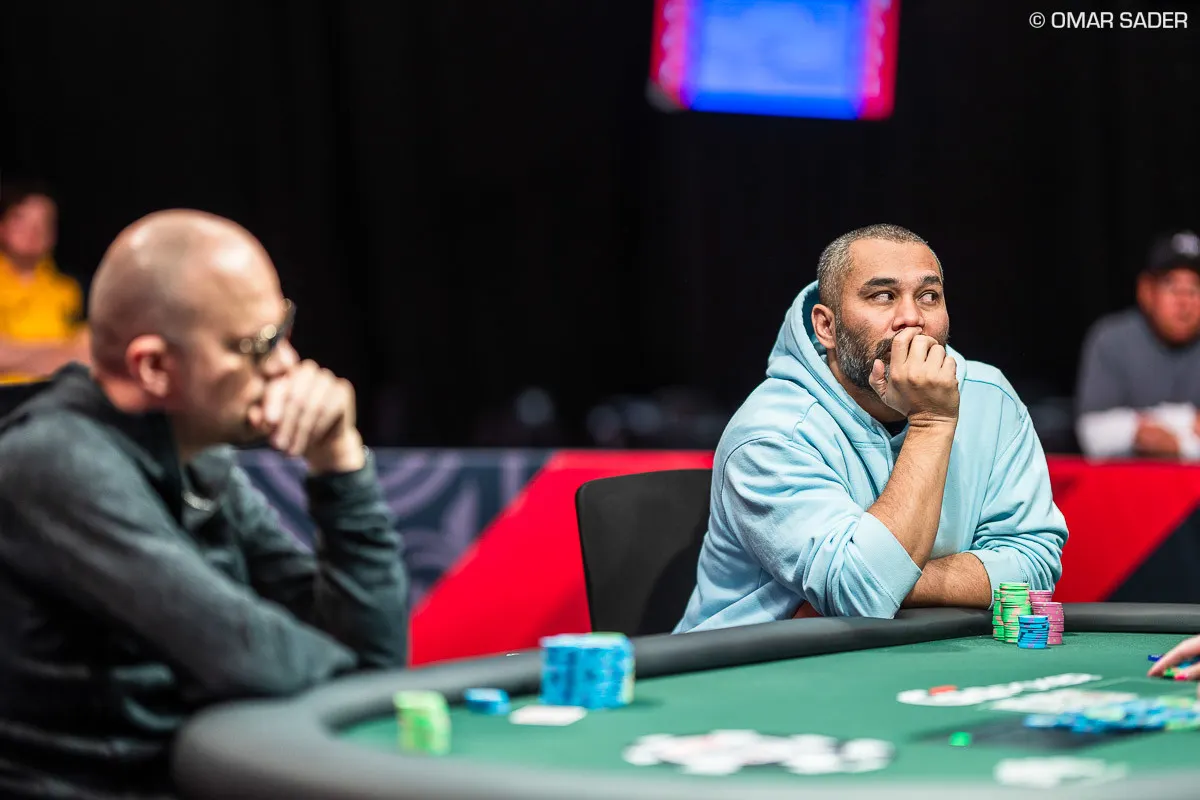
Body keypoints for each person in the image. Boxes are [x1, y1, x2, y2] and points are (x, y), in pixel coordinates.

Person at [0, 210, 410, 799]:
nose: (286, 364)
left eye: (284, 329)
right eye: (258, 345)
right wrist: (369, 680)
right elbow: (252, 659)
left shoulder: (199, 456)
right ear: (154, 367)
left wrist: (339, 463)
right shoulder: (54, 462)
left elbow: (365, 653)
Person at [675, 224, 1066, 633]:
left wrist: (893, 580)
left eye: (928, 296)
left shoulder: (990, 398)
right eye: (883, 296)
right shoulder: (771, 432)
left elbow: (1034, 565)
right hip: (754, 662)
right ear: (827, 327)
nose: (911, 318)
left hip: (914, 653)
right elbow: (862, 594)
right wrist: (931, 421)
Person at [1075, 230, 1200, 460]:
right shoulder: (1112, 338)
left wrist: (1177, 444)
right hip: (1129, 481)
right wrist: (1186, 426)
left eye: (1195, 288)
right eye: (1171, 285)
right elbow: (1092, 432)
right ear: (1146, 290)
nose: (1184, 301)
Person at [0, 182, 90, 384]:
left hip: (57, 395)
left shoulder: (71, 289)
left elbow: (87, 355)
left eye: (44, 222)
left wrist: (15, 354)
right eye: (21, 219)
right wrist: (59, 353)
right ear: (2, 226)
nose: (33, 230)